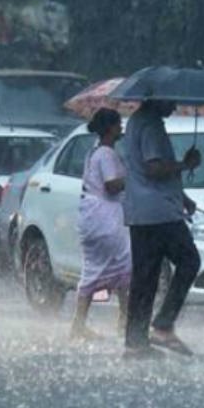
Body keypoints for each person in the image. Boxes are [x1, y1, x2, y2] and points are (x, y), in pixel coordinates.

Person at [122, 100, 202, 356]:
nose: (176, 105)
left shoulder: (135, 121)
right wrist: (185, 165)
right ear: (157, 98)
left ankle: (135, 341)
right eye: (171, 99)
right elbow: (154, 167)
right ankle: (163, 325)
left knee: (145, 278)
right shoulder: (151, 125)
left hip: (141, 211)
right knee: (189, 260)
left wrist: (183, 197)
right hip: (159, 212)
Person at [71, 108, 131, 340]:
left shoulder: (93, 152)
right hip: (105, 219)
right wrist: (133, 177)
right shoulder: (106, 154)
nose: (121, 128)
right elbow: (111, 186)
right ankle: (124, 321)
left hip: (92, 218)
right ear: (109, 128)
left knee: (94, 270)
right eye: (118, 124)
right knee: (127, 267)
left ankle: (79, 324)